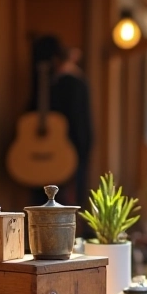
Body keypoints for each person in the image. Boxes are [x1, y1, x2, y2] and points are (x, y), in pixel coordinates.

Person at [30, 36, 93, 209]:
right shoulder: (57, 81)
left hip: (68, 153)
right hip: (61, 153)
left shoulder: (71, 83)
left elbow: (79, 124)